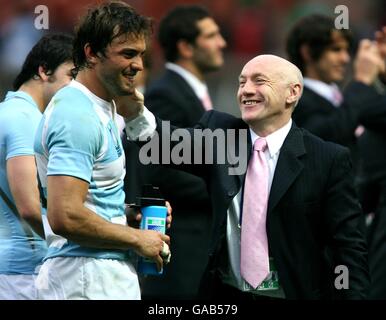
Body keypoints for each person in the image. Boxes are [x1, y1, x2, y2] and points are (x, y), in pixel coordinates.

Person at [124, 54, 370, 299]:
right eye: (242, 83)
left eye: (259, 81)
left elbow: (348, 246)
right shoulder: (221, 135)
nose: (246, 91)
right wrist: (134, 112)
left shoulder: (327, 158)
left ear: (292, 93)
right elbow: (162, 145)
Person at [33, 1, 169, 300]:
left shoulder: (102, 106)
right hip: (84, 278)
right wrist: (136, 238)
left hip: (95, 274)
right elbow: (65, 215)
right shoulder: (76, 115)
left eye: (141, 54)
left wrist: (128, 216)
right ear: (91, 53)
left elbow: (88, 202)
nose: (139, 65)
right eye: (127, 54)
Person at [131, 4, 226, 299]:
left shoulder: (192, 91)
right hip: (182, 239)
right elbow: (161, 166)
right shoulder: (165, 93)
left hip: (198, 236)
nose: (222, 42)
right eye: (211, 35)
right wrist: (226, 185)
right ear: (186, 46)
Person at [0, 33, 73, 299]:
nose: (77, 86)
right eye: (72, 74)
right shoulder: (22, 118)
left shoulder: (14, 113)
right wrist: (78, 241)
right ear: (44, 71)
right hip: (21, 272)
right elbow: (30, 207)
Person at [286, 14, 385, 171]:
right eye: (336, 49)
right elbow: (327, 135)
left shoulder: (346, 98)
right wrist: (362, 81)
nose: (345, 58)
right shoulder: (293, 100)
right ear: (307, 52)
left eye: (347, 50)